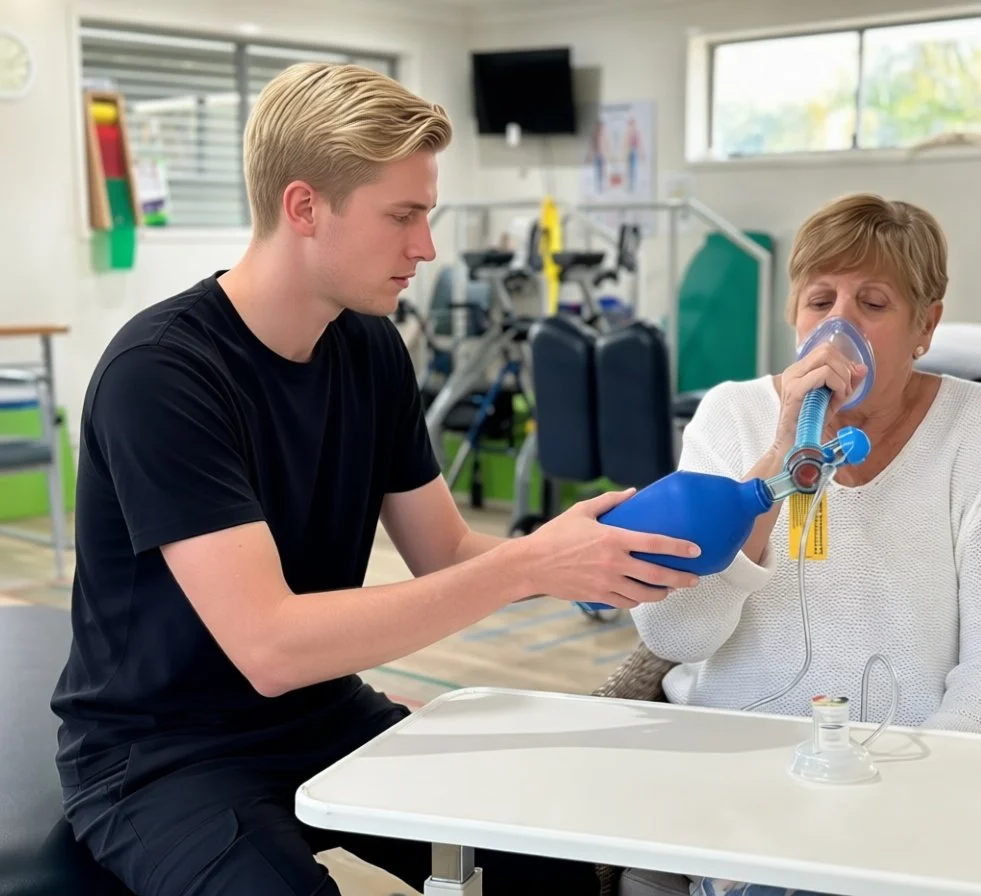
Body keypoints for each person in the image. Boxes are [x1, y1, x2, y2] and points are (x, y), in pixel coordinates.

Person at [50, 62, 702, 896]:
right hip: (159, 753)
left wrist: (581, 555)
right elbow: (272, 646)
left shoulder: (369, 346)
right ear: (304, 207)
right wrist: (525, 568)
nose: (425, 247)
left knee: (550, 862)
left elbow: (445, 550)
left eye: (424, 215)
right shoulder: (164, 373)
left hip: (321, 714)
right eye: (404, 216)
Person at [628, 193, 981, 896]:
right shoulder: (732, 417)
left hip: (913, 792)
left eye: (874, 303)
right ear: (792, 315)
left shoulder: (980, 428)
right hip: (741, 782)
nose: (838, 324)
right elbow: (676, 634)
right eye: (819, 299)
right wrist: (775, 462)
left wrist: (905, 782)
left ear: (926, 326)